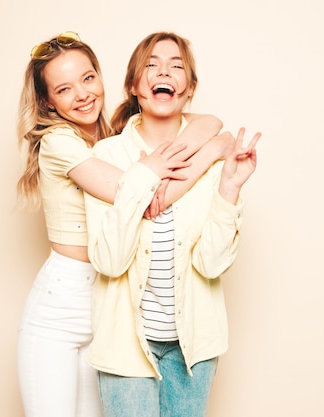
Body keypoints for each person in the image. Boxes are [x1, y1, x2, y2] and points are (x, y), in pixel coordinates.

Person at [15, 31, 231, 417]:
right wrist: (211, 152)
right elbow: (143, 197)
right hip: (62, 303)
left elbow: (206, 120)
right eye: (64, 89)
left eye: (88, 78)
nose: (82, 94)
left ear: (102, 77)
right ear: (48, 101)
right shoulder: (59, 143)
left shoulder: (113, 138)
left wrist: (215, 134)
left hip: (110, 304)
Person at [84, 31, 260, 417]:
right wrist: (141, 181)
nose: (163, 71)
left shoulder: (216, 161)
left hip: (193, 348)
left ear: (189, 88)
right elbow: (109, 262)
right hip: (126, 347)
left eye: (176, 66)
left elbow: (211, 265)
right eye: (151, 64)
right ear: (133, 85)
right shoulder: (106, 156)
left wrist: (229, 186)